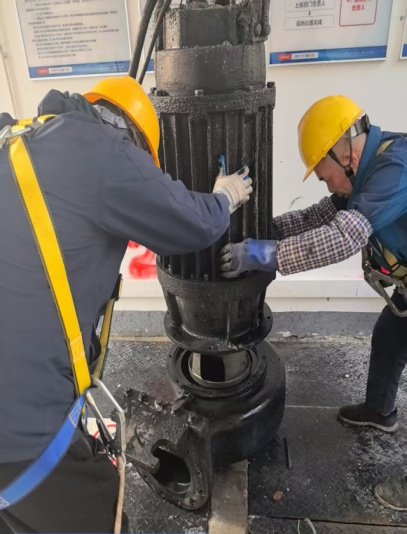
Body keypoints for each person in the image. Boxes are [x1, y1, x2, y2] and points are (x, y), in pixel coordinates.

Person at [0, 75, 252, 533]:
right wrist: (223, 198)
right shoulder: (99, 150)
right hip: (19, 428)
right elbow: (189, 221)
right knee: (101, 515)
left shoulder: (16, 139)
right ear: (130, 137)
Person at [219, 94, 407, 511]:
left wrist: (264, 255)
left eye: (325, 178)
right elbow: (318, 217)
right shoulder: (364, 171)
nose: (328, 186)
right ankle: (380, 411)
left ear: (345, 156)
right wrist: (265, 231)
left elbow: (342, 236)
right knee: (391, 337)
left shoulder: (396, 168)